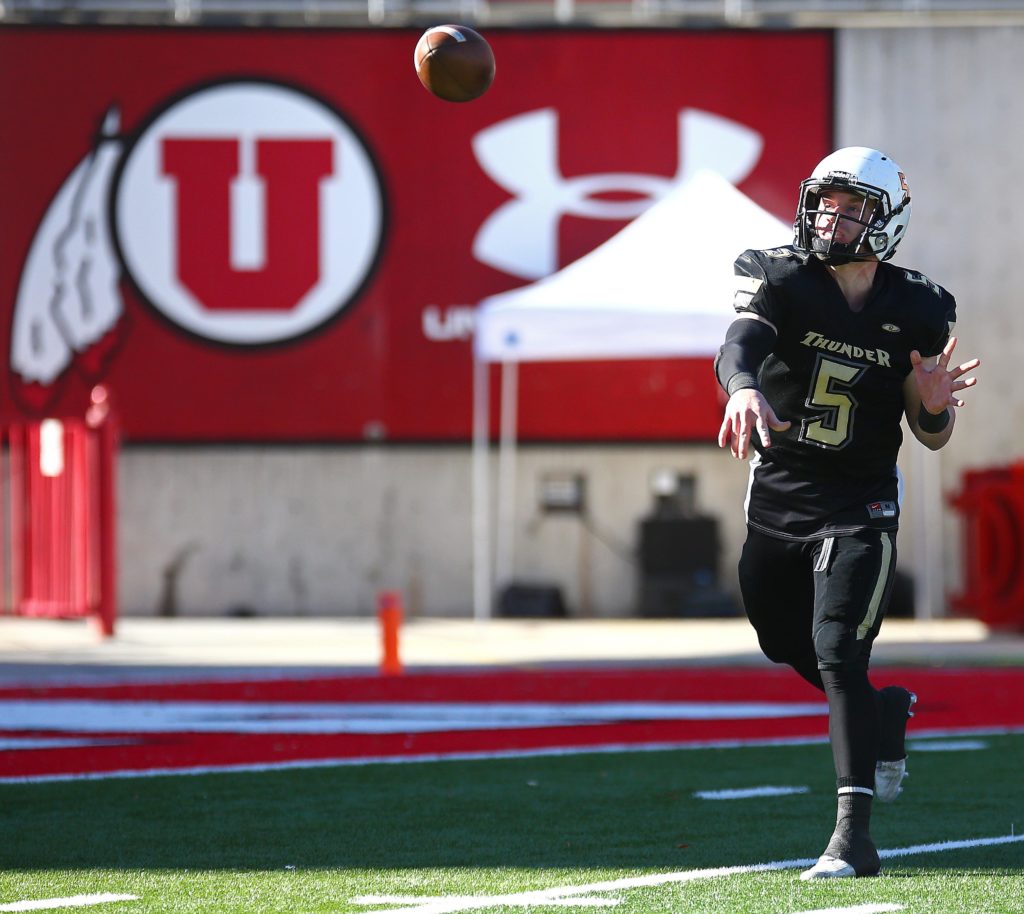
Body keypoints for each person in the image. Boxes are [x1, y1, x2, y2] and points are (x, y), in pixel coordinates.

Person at [714, 147, 980, 880]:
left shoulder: (920, 306)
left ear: (887, 220)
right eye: (826, 201)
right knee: (781, 641)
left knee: (837, 651)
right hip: (779, 497)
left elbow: (930, 433)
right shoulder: (779, 275)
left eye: (854, 205)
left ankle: (851, 839)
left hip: (860, 502)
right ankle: (883, 713)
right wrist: (740, 387)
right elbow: (741, 343)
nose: (833, 217)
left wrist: (931, 408)